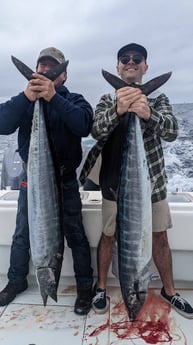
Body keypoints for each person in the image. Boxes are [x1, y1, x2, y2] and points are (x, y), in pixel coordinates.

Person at [80, 43, 193, 318]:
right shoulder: (108, 101)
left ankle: (169, 290)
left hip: (151, 184)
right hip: (112, 184)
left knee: (159, 237)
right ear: (118, 67)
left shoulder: (158, 100)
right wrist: (120, 109)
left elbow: (172, 132)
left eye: (136, 59)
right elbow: (96, 130)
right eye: (124, 59)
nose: (130, 62)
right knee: (108, 236)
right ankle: (101, 287)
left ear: (145, 66)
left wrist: (148, 113)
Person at [0, 47, 94, 315]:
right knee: (21, 234)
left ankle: (84, 287)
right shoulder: (25, 102)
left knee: (76, 235)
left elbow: (84, 125)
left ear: (63, 75)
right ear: (35, 71)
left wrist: (52, 97)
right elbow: (2, 123)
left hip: (65, 182)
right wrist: (27, 97)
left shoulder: (75, 100)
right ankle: (16, 281)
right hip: (32, 182)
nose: (45, 71)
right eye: (41, 67)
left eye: (52, 68)